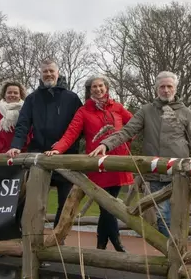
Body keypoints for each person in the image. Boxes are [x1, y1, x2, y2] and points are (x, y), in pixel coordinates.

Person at [90, 71, 191, 237]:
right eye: (162, 87)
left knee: (179, 215)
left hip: (180, 173)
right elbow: (127, 131)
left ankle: (175, 254)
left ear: (175, 88)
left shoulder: (186, 113)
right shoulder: (147, 111)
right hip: (157, 173)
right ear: (157, 89)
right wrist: (106, 144)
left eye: (169, 86)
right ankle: (172, 252)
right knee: (162, 216)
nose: (165, 90)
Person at [45, 75, 133, 251]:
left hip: (117, 163)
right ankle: (116, 244)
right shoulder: (84, 111)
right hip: (98, 165)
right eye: (94, 87)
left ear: (106, 88)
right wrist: (58, 149)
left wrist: (126, 142)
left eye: (101, 86)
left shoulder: (117, 107)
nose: (98, 89)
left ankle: (101, 245)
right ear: (89, 90)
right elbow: (71, 133)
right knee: (107, 206)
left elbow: (134, 124)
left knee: (109, 206)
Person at [7, 58, 82, 227]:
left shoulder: (72, 98)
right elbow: (23, 124)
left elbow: (80, 126)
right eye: (45, 72)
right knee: (31, 200)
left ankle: (57, 238)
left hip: (66, 157)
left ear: (58, 73)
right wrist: (16, 145)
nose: (48, 74)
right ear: (41, 74)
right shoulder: (33, 99)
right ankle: (26, 234)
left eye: (51, 71)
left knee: (65, 202)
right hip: (39, 156)